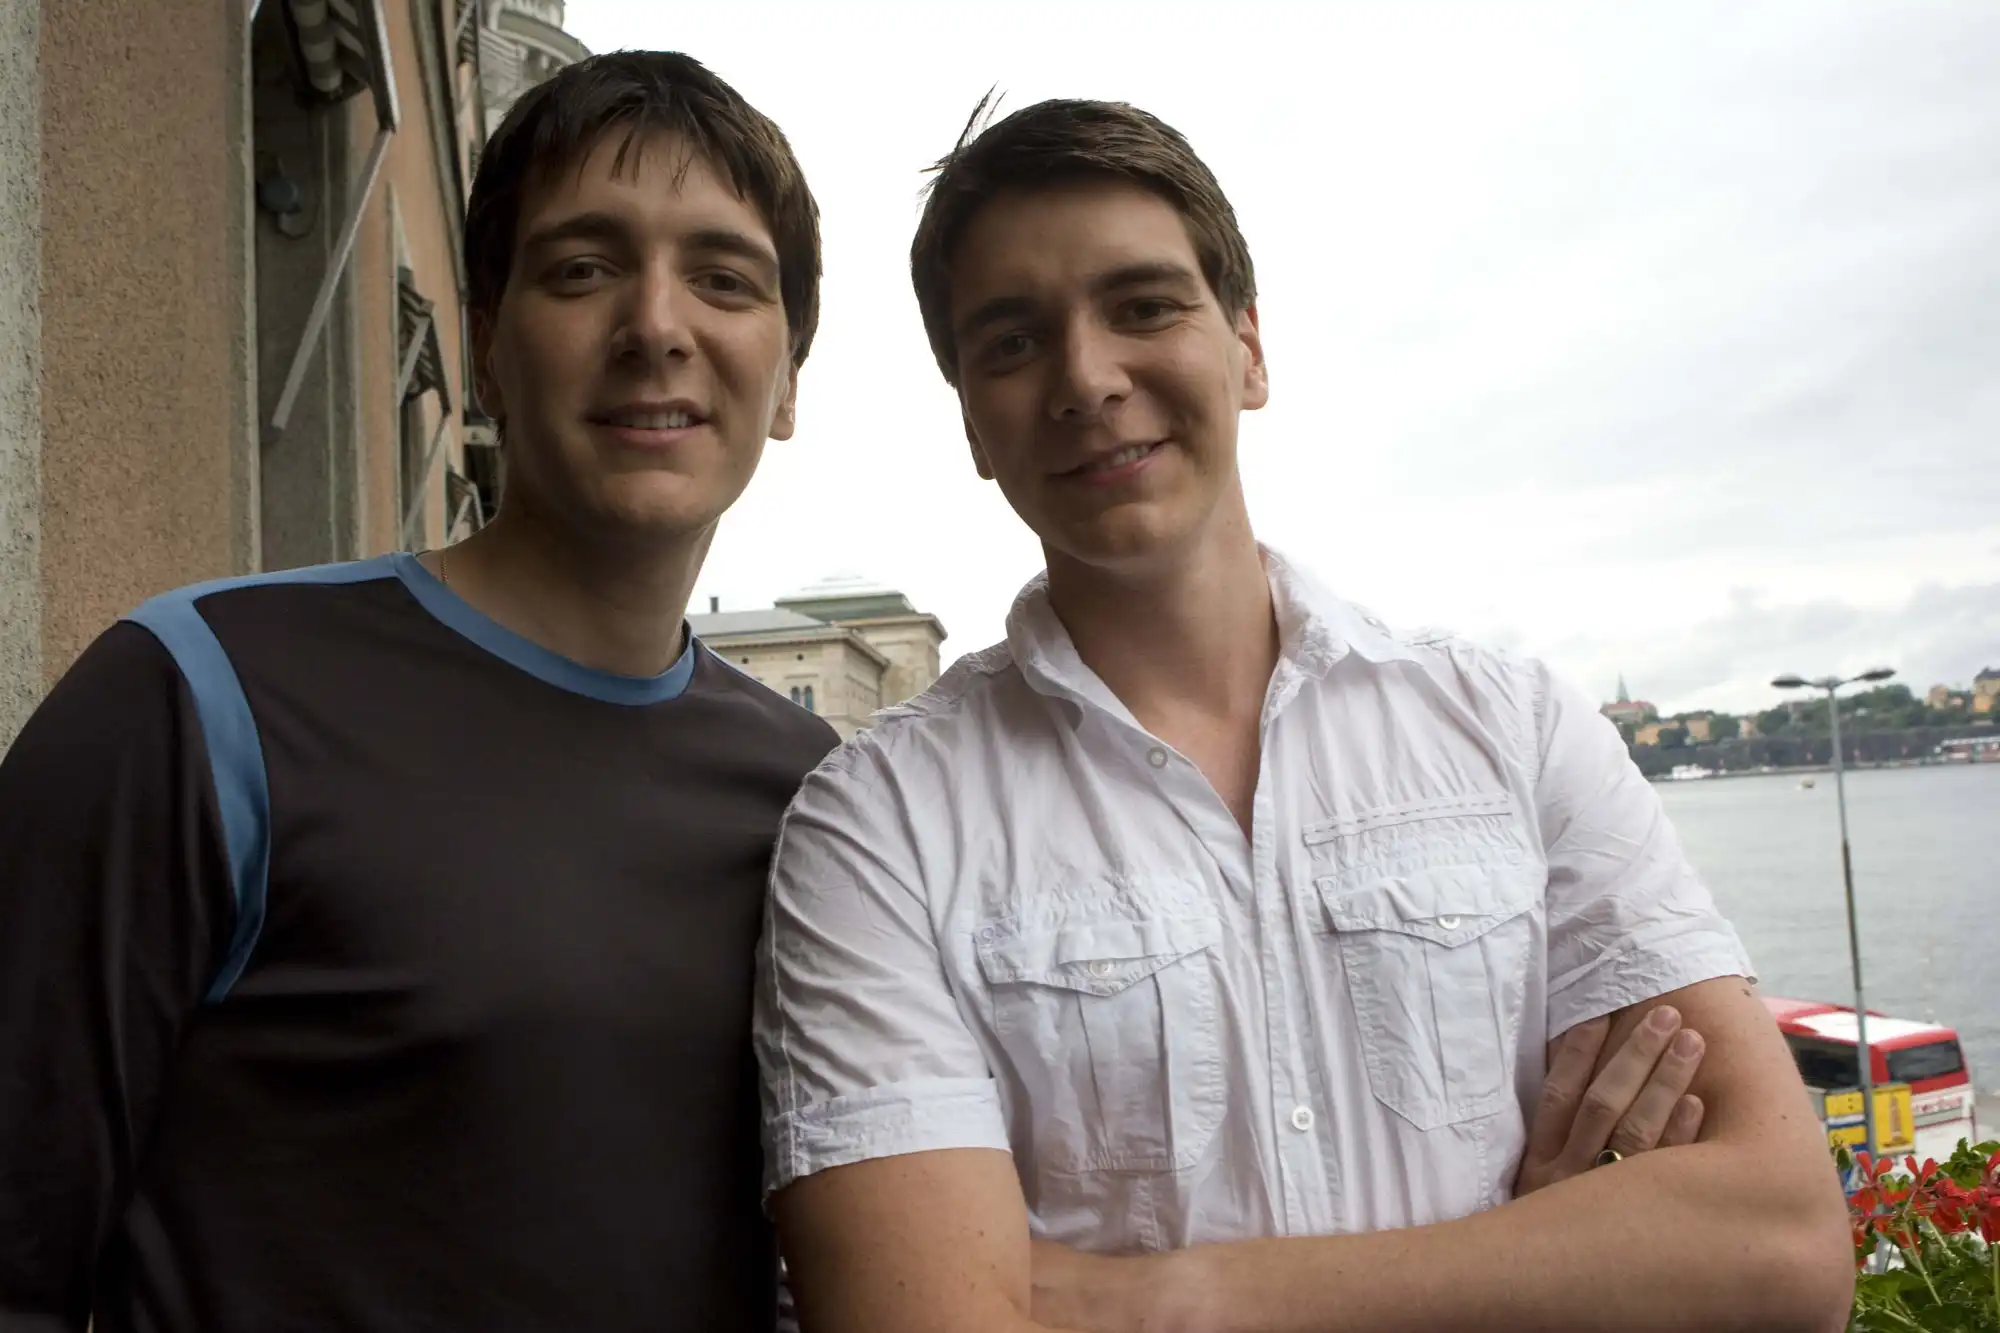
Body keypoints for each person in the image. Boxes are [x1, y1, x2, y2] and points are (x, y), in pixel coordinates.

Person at [755, 99, 1854, 1332]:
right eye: (1011, 343)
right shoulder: (877, 824)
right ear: (970, 417)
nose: (1087, 378)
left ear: (1248, 348)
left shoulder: (1509, 729)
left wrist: (1154, 1300)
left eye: (1143, 307)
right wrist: (1539, 1265)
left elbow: (1782, 1246)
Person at [0, 51, 833, 1333]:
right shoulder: (204, 697)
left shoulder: (821, 800)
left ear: (786, 380)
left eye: (724, 279)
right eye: (582, 268)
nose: (657, 325)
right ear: (486, 346)